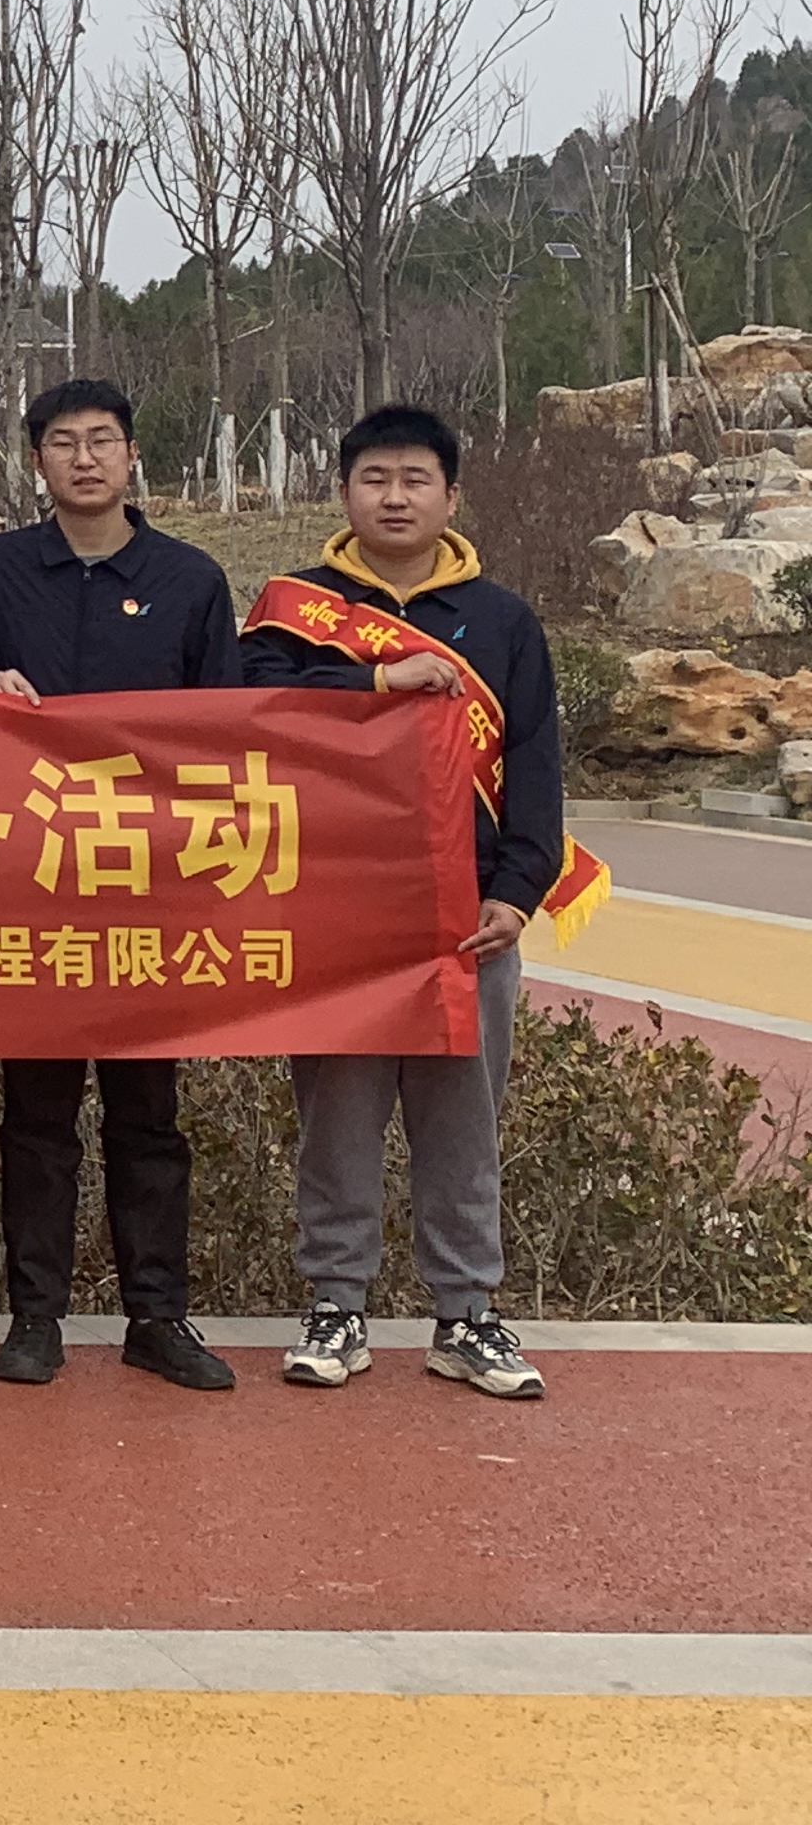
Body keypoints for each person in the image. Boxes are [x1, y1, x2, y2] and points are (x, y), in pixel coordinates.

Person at [241, 403, 558, 1406]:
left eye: (415, 479)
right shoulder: (293, 614)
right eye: (374, 478)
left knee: (462, 1121)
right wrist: (378, 675)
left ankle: (466, 1313)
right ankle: (336, 1304)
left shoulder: (502, 622)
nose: (394, 497)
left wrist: (518, 893)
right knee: (337, 1116)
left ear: (450, 496)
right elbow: (251, 711)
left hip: (467, 919)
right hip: (337, 913)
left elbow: (537, 765)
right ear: (343, 492)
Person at [0, 375, 239, 1393]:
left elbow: (227, 735)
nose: (85, 458)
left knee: (147, 1117)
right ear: (37, 461)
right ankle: (35, 1318)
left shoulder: (191, 579)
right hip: (29, 887)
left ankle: (157, 1317)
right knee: (35, 1118)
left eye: (103, 440)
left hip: (147, 891)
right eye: (64, 442)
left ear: (131, 456)